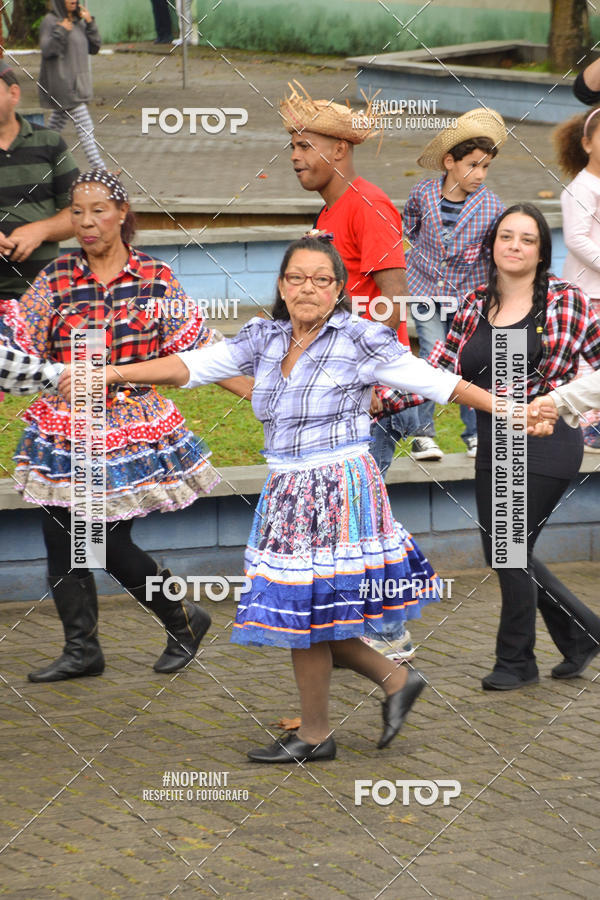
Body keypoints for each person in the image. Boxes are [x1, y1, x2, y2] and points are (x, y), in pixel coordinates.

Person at [57, 234, 542, 762]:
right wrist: (110, 372)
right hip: (288, 490)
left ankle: (319, 732)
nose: (307, 288)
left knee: (305, 612)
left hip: (338, 488)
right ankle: (390, 683)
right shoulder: (264, 337)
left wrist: (514, 410)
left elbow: (438, 383)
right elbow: (191, 366)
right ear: (282, 285)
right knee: (310, 612)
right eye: (296, 278)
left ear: (337, 289)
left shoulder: (361, 338)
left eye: (321, 279)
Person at [0, 168, 250, 684]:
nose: (87, 222)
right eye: (77, 212)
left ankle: (183, 617)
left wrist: (261, 394)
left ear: (121, 215)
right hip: (67, 428)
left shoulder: (154, 278)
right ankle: (81, 650)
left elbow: (200, 348)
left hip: (129, 430)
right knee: (58, 535)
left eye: (98, 211)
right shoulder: (57, 278)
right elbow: (19, 343)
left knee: (106, 544)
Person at [429, 203, 600, 690]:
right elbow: (440, 366)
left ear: (542, 250)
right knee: (507, 549)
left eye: (527, 239)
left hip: (547, 442)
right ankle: (583, 633)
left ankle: (516, 661)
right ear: (492, 245)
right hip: (493, 442)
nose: (516, 247)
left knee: (507, 549)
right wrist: (384, 396)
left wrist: (559, 403)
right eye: (507, 237)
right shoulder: (475, 302)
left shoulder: (566, 301)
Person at [281, 84, 419, 663]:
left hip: (371, 395)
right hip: (342, 394)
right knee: (351, 519)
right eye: (290, 146)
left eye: (304, 145)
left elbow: (397, 303)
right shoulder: (329, 212)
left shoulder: (367, 203)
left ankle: (388, 640)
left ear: (338, 149)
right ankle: (375, 644)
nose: (294, 156)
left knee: (358, 523)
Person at [404, 108, 507, 461]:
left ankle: (476, 434)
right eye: (472, 165)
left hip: (469, 298)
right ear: (449, 161)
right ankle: (422, 434)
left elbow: (495, 253)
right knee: (433, 356)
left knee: (470, 362)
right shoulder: (422, 194)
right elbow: (410, 230)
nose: (479, 174)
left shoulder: (492, 205)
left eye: (486, 166)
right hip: (424, 290)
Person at [0, 60, 79, 302]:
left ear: (13, 94)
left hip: (45, 299)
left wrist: (41, 230)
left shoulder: (50, 143)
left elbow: (78, 212)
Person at [554, 106, 600, 451]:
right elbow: (576, 239)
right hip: (588, 292)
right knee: (586, 364)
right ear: (586, 143)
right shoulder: (582, 188)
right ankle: (587, 429)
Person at [39, 1, 105, 170]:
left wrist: (90, 23)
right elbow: (47, 50)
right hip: (62, 85)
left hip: (79, 85)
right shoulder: (50, 21)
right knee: (86, 127)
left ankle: (38, 160)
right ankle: (101, 170)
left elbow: (95, 47)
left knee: (54, 130)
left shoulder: (78, 22)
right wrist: (61, 31)